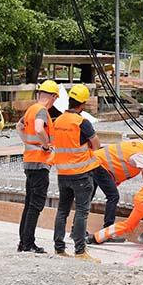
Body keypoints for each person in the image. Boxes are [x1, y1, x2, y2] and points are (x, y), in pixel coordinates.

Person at [49, 83, 101, 260]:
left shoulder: (58, 121)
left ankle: (59, 247)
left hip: (62, 174)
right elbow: (97, 145)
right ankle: (80, 251)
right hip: (80, 174)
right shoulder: (82, 122)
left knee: (62, 210)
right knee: (81, 212)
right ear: (82, 104)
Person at [88, 140, 143, 242]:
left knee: (88, 197)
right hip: (99, 165)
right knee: (113, 196)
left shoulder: (138, 148)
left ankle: (76, 231)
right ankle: (107, 233)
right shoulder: (142, 156)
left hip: (95, 162)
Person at [16, 79, 59, 253]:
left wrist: (28, 142)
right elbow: (39, 128)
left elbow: (19, 126)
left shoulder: (31, 109)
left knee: (29, 203)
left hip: (29, 161)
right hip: (39, 163)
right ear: (53, 97)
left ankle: (23, 242)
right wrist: (46, 145)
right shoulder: (41, 111)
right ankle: (28, 244)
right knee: (36, 205)